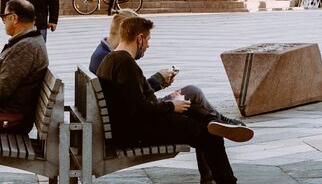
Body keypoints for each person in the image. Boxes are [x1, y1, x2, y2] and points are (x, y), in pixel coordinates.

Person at [96, 17, 244, 184]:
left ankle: (214, 121)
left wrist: (169, 104)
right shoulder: (125, 63)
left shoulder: (110, 59)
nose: (148, 46)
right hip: (138, 132)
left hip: (131, 126)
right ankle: (227, 179)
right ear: (140, 39)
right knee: (210, 136)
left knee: (193, 109)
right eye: (148, 40)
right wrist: (170, 106)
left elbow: (132, 102)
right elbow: (138, 108)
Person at [89, 9, 249, 131]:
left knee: (192, 94)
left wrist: (162, 87)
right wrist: (166, 97)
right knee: (195, 108)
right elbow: (133, 102)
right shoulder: (115, 59)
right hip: (141, 120)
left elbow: (130, 92)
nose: (148, 44)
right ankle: (218, 123)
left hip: (142, 111)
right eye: (146, 38)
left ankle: (218, 122)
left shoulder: (110, 55)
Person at [0, 0, 49, 134]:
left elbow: (2, 90)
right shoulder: (30, 41)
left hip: (12, 118)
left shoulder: (26, 47)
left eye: (4, 17)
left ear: (14, 18)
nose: (3, 22)